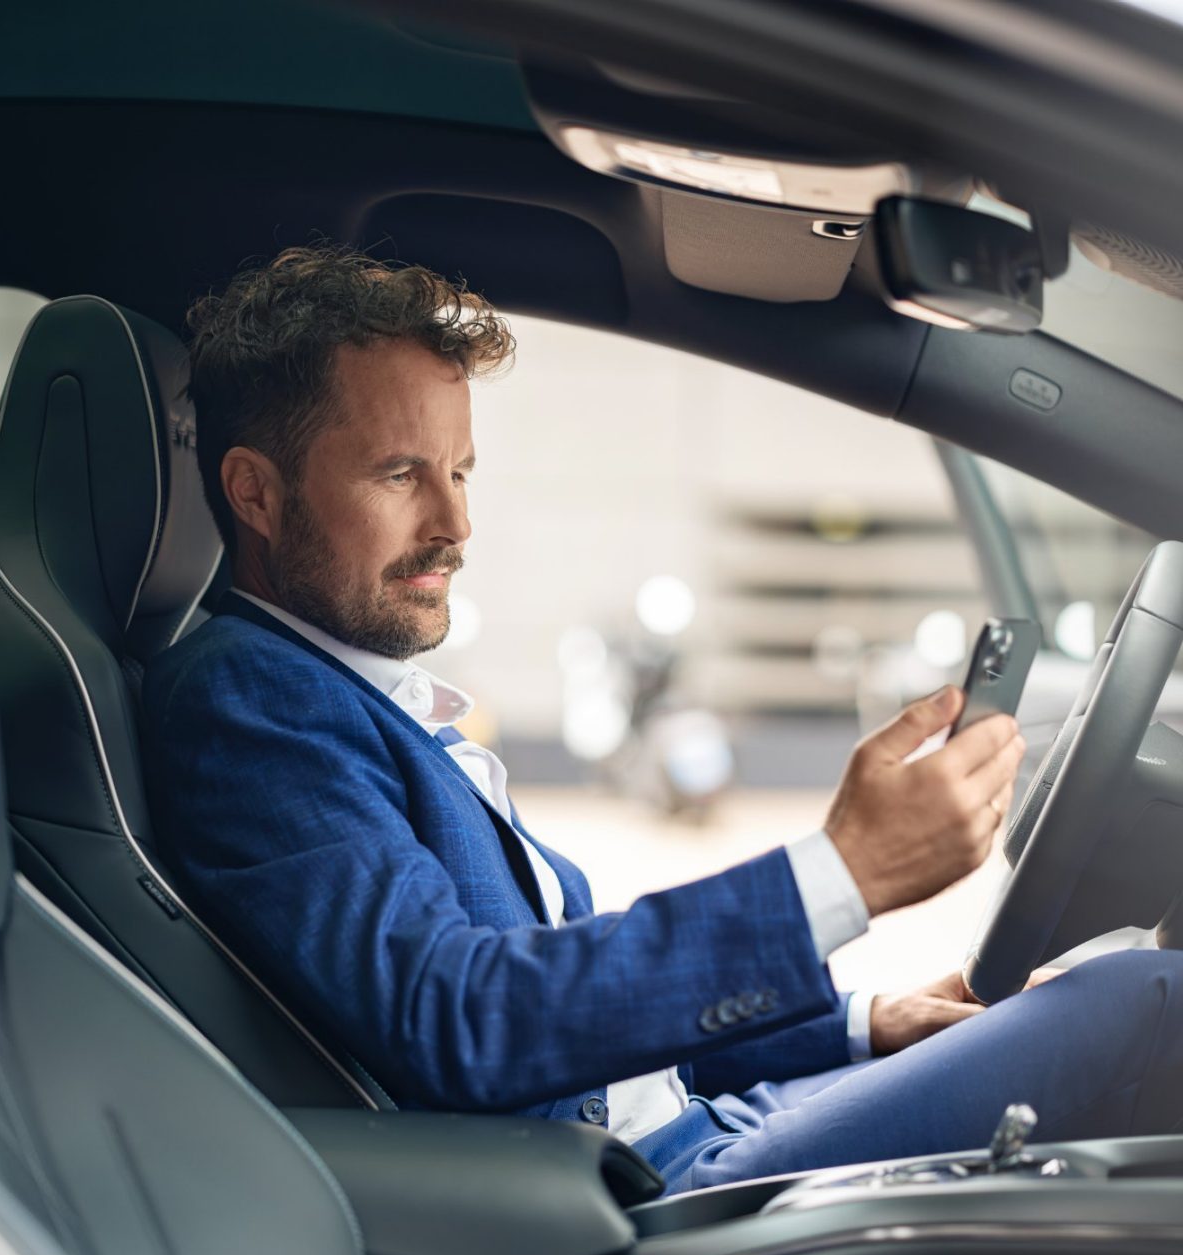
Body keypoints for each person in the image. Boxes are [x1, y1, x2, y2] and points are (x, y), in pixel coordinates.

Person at [143, 246, 1183, 1195]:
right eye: (398, 473)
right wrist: (843, 869)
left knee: (1105, 989)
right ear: (257, 495)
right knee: (1134, 1005)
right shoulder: (251, 702)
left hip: (696, 1121)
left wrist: (864, 1023)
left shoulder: (355, 691)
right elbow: (460, 1018)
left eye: (458, 472)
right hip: (639, 1200)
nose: (455, 524)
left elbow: (563, 992)